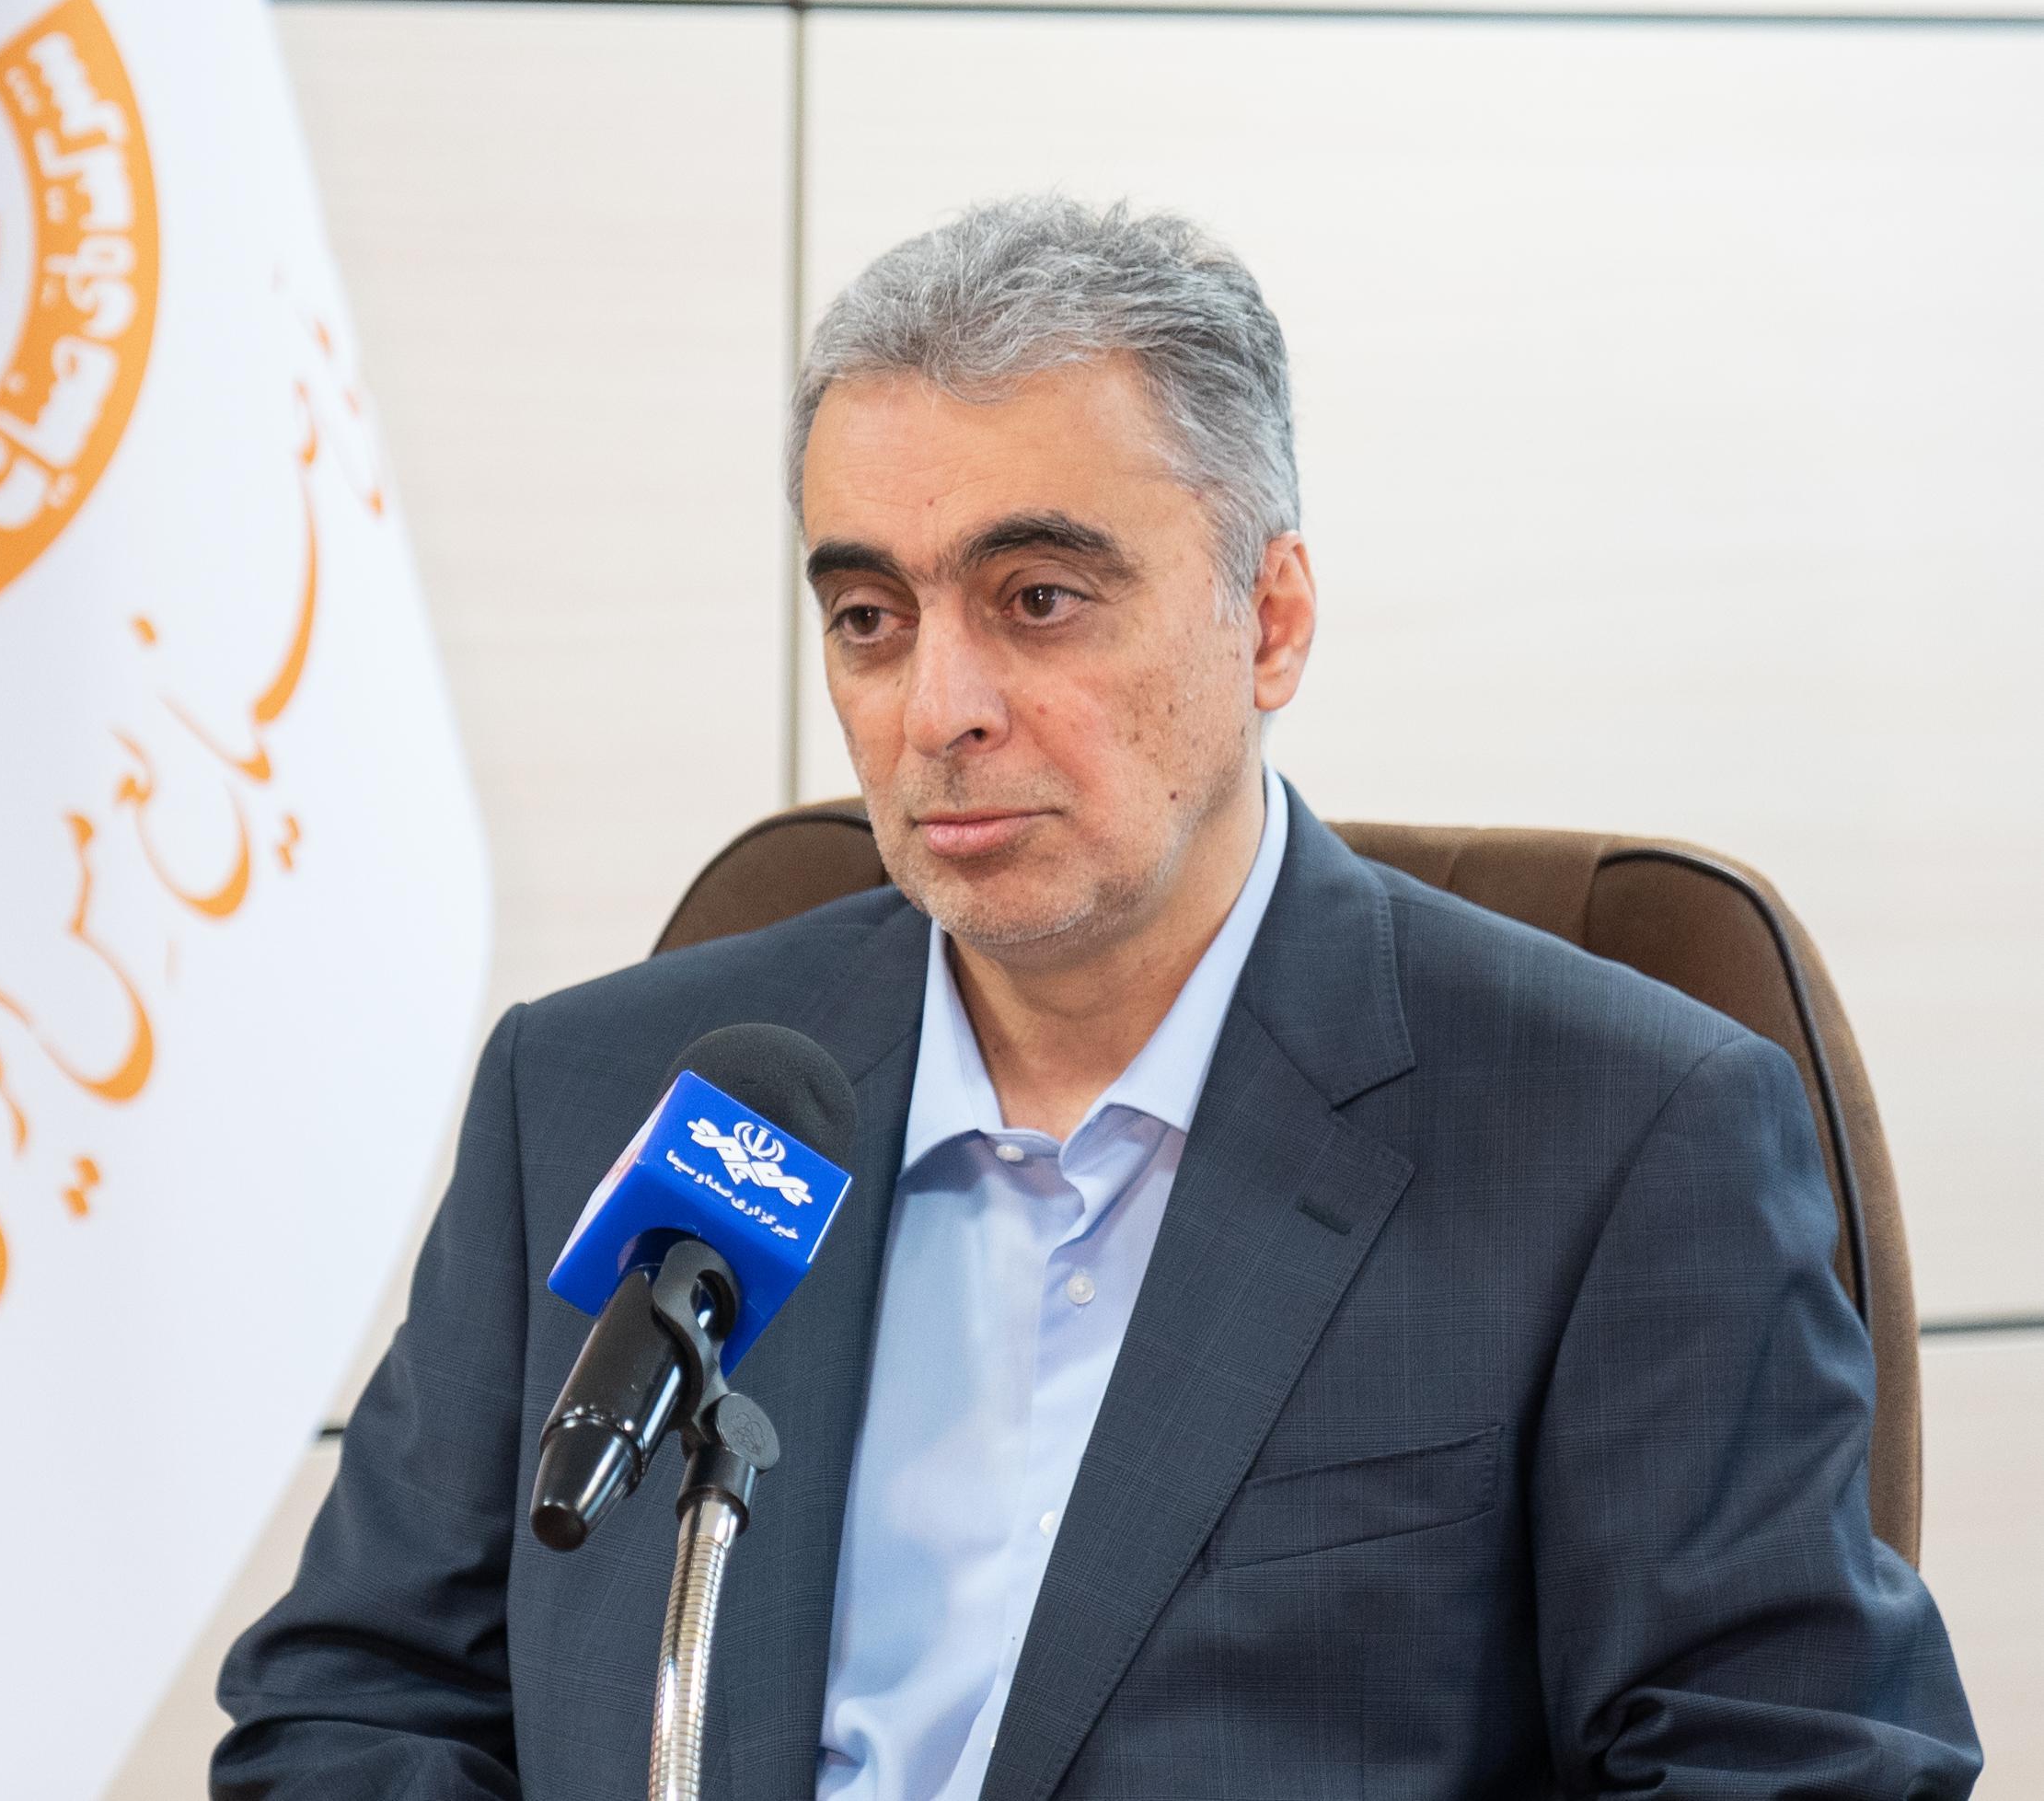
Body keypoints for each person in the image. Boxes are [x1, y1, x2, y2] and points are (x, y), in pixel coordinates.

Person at [211, 196, 1979, 1798]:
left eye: (1038, 599)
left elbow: (1795, 1767)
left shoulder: (1617, 1135)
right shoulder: (604, 1095)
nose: (938, 711)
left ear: (1269, 621)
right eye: (870, 617)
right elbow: (355, 1711)